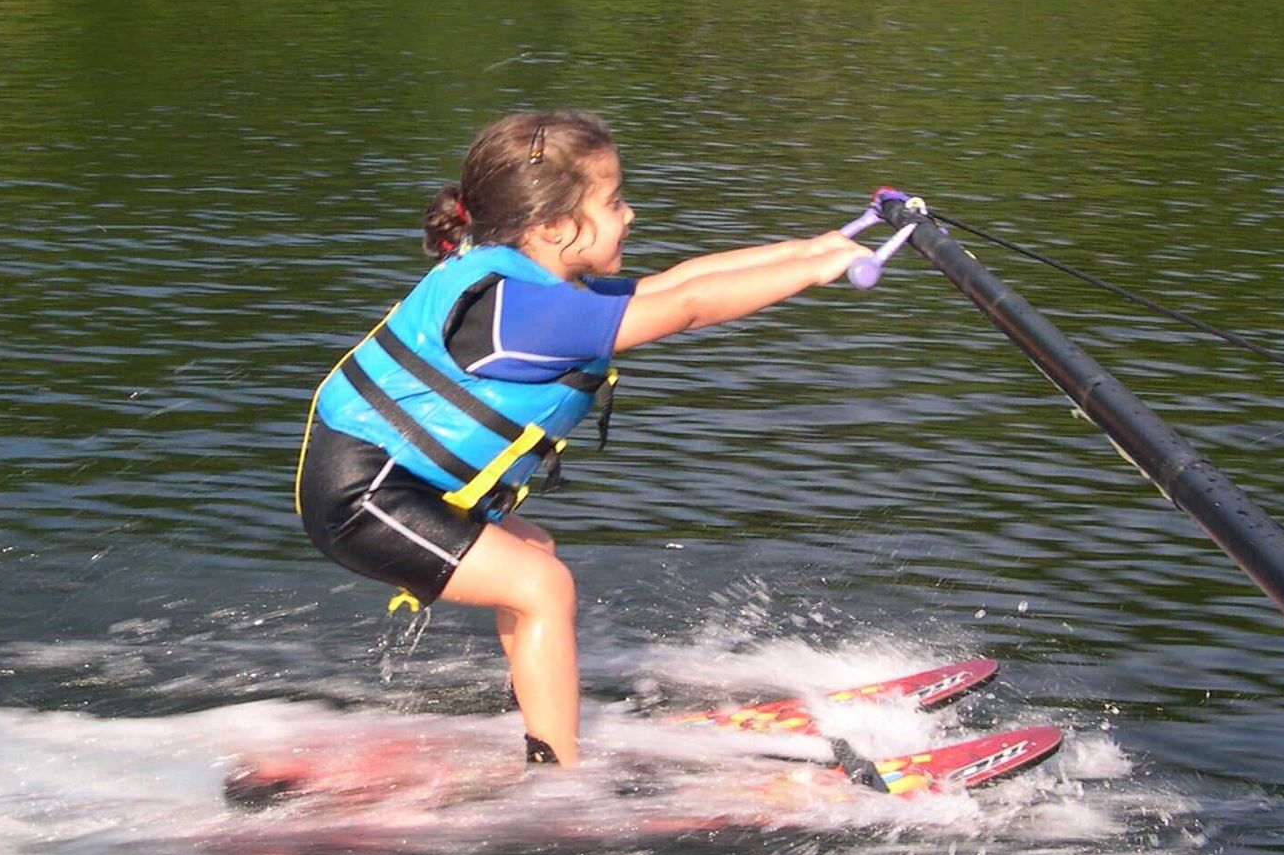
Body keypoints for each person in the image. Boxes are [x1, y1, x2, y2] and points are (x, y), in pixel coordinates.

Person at [295, 109, 872, 766]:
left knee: (533, 553)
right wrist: (813, 273)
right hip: (362, 497)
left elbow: (678, 281)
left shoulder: (530, 283)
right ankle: (557, 775)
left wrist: (816, 249)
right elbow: (686, 309)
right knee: (541, 585)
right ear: (552, 227)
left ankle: (540, 722)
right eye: (614, 201)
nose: (630, 216)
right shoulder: (525, 314)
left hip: (392, 484)